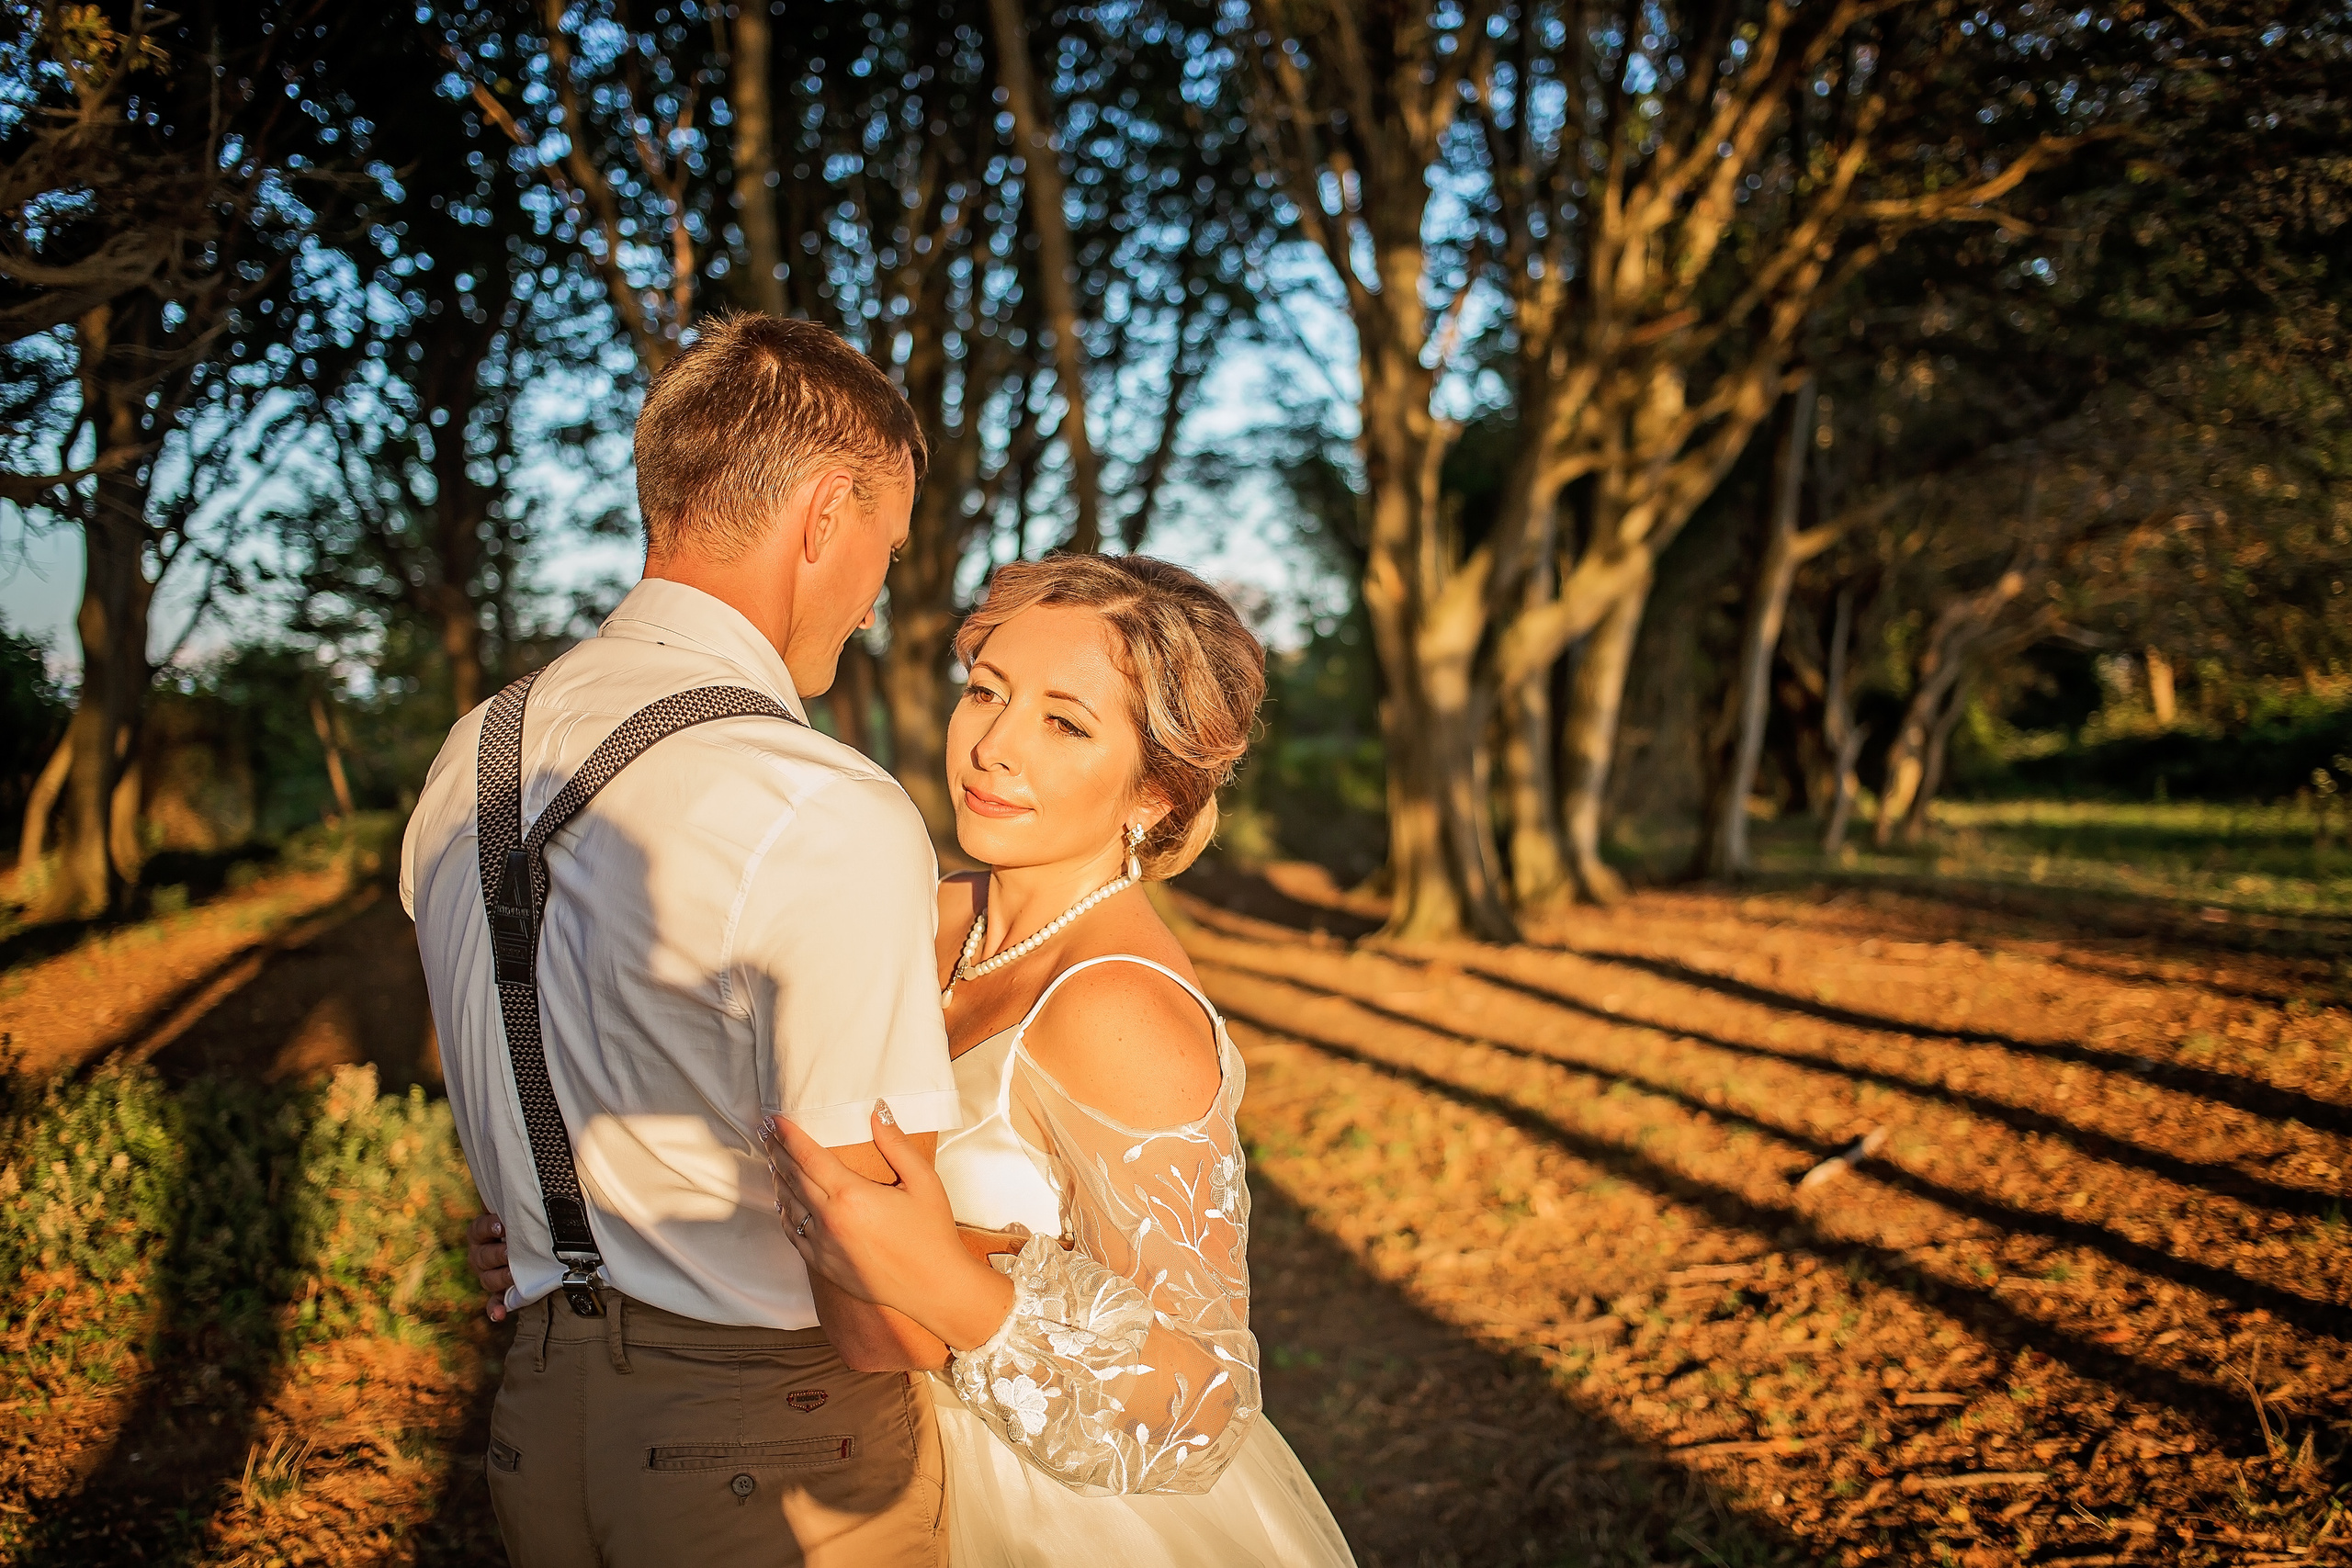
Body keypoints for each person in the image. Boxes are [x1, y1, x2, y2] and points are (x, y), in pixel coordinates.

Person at [469, 555, 1356, 1564]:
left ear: (1154, 790)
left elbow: (1200, 1402)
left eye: (1064, 723)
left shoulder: (1121, 1009)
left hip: (1042, 1512)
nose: (992, 747)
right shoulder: (920, 909)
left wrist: (948, 1281)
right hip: (802, 1440)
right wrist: (584, 1221)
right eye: (985, 692)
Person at [406, 314, 962, 1568]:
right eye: (885, 544)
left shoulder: (470, 757)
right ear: (825, 515)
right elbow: (877, 1311)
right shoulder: (821, 803)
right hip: (778, 1449)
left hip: (539, 1433)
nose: (874, 597)